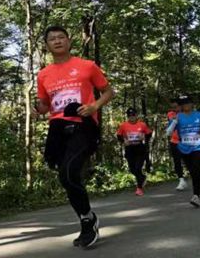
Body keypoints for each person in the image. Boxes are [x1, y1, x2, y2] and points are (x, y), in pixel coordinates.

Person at [35, 26, 114, 249]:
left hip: (83, 125)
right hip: (57, 129)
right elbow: (45, 105)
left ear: (69, 41)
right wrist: (37, 108)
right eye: (52, 39)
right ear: (47, 45)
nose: (57, 41)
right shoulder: (43, 74)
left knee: (69, 172)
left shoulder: (87, 66)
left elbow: (109, 91)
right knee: (65, 177)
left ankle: (87, 221)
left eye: (61, 37)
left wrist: (94, 106)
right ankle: (87, 217)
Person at [167, 95, 200, 207]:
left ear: (192, 104)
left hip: (198, 146)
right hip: (184, 147)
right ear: (181, 106)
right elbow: (168, 132)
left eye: (187, 103)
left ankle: (196, 196)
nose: (185, 105)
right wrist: (174, 122)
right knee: (192, 171)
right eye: (183, 103)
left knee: (196, 168)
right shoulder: (177, 117)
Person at [116, 107, 153, 196]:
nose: (131, 117)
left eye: (133, 115)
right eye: (129, 115)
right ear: (127, 116)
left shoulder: (142, 125)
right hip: (129, 149)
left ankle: (139, 188)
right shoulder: (123, 125)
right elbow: (119, 135)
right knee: (132, 169)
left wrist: (143, 136)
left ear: (136, 115)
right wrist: (124, 141)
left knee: (137, 168)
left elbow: (149, 134)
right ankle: (142, 177)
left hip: (140, 148)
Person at [166, 98, 187, 191]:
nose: (174, 109)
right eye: (172, 107)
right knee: (177, 161)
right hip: (174, 141)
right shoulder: (171, 114)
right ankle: (181, 180)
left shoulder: (187, 113)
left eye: (176, 107)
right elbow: (171, 125)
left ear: (180, 106)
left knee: (189, 161)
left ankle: (197, 179)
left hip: (186, 141)